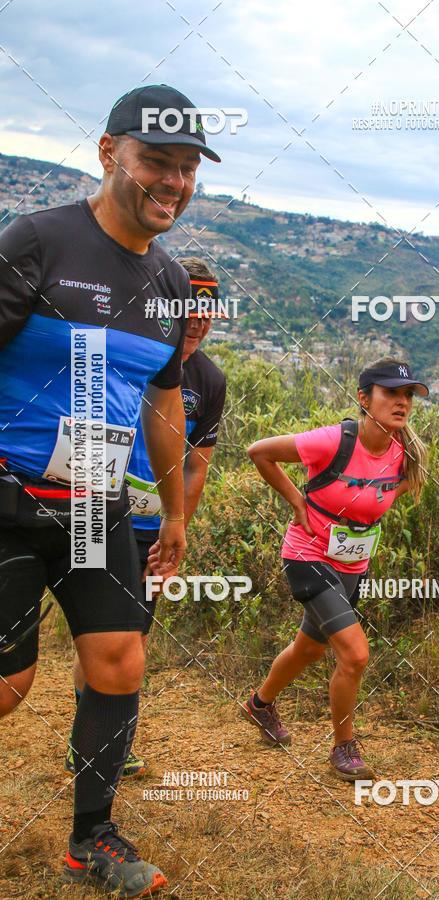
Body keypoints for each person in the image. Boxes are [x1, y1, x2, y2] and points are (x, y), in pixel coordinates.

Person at [0, 84, 221, 896]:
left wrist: (177, 513)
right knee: (7, 687)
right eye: (156, 162)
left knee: (120, 662)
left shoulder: (168, 283)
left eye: (187, 168)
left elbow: (164, 404)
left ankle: (92, 838)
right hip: (10, 499)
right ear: (108, 153)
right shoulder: (38, 241)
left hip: (96, 506)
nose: (173, 182)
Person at [67, 257, 227, 777]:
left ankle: (101, 742)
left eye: (207, 311)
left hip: (153, 529)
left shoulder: (210, 380)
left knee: (134, 635)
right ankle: (91, 741)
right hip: (93, 509)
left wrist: (176, 526)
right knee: (102, 635)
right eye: (189, 309)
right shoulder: (128, 352)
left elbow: (196, 466)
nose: (198, 321)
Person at [243, 359, 428, 781]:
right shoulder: (333, 441)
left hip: (352, 565)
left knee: (309, 649)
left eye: (408, 395)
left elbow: (383, 497)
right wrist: (297, 501)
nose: (402, 402)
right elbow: (259, 452)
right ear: (364, 398)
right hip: (308, 556)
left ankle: (259, 705)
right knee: (355, 654)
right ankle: (343, 747)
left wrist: (358, 522)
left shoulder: (405, 454)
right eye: (390, 393)